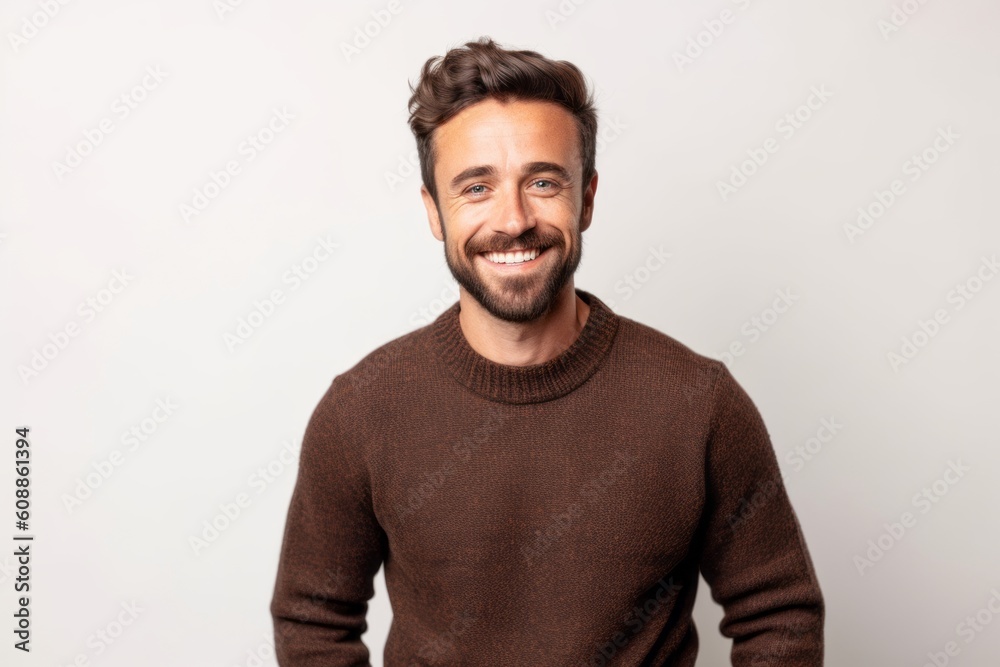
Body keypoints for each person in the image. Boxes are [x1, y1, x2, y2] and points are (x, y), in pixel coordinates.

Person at [270, 36, 824, 666]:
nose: (513, 219)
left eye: (541, 181)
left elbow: (779, 613)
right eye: (476, 187)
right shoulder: (362, 412)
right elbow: (312, 621)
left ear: (586, 198)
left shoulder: (698, 404)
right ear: (433, 212)